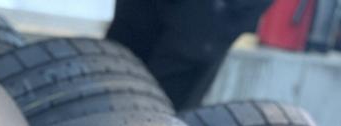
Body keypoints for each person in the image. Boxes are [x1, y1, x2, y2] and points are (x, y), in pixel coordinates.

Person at [107, 0, 273, 109]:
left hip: (202, 19)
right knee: (105, 85)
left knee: (160, 117)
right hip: (142, 13)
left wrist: (225, 15)